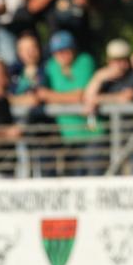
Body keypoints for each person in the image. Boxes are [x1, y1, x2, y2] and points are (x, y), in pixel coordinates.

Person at [36, 30, 101, 175]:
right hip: (68, 138)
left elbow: (79, 96)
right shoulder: (51, 66)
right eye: (57, 51)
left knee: (95, 182)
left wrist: (50, 96)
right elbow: (40, 94)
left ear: (73, 49)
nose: (62, 54)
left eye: (65, 50)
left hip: (91, 136)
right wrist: (54, 96)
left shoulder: (84, 60)